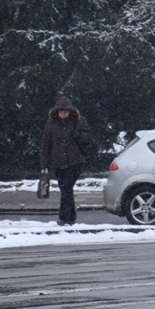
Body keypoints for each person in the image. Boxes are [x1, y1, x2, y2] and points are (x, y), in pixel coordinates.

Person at [40, 96, 93, 225]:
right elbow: (46, 143)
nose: (63, 115)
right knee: (65, 189)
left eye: (65, 112)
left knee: (66, 187)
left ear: (70, 111)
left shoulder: (78, 121)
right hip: (57, 162)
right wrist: (44, 163)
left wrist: (79, 136)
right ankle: (70, 217)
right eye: (60, 112)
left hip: (74, 161)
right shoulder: (51, 123)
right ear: (57, 112)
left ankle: (65, 217)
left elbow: (88, 137)